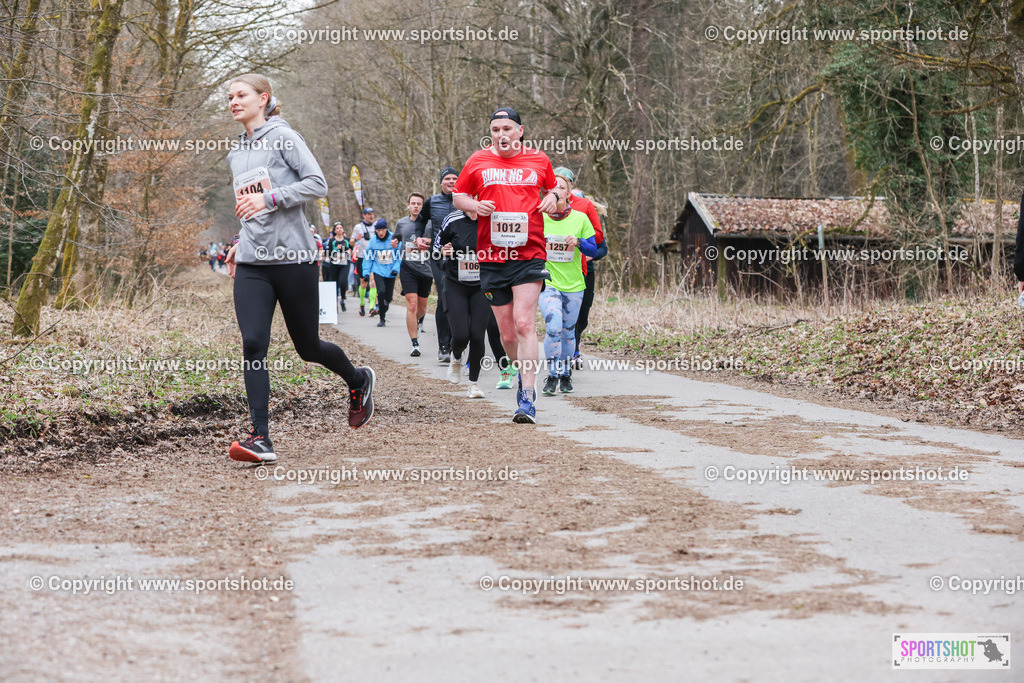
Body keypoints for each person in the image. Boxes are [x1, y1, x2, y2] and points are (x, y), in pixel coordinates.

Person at [222, 73, 375, 463]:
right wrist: (241, 242)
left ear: (263, 98)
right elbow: (249, 208)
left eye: (241, 95)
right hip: (254, 263)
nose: (234, 102)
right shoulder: (236, 152)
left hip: (294, 260)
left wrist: (271, 198)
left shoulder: (284, 138)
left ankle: (357, 380)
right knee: (253, 343)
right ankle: (261, 437)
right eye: (230, 97)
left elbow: (317, 183)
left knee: (308, 347)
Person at [452, 107, 561, 423]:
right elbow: (459, 195)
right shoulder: (477, 161)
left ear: (520, 131)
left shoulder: (538, 160)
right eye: (496, 129)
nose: (501, 134)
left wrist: (553, 198)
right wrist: (475, 205)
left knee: (525, 322)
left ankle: (527, 395)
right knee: (508, 334)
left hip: (530, 253)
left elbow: (553, 189)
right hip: (491, 257)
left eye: (507, 128)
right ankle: (519, 371)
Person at [540, 175, 597, 394]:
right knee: (553, 326)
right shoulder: (539, 218)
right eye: (552, 188)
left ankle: (565, 373)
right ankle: (552, 374)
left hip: (574, 285)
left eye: (561, 187)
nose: (556, 191)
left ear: (567, 193)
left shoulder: (581, 218)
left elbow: (595, 249)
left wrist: (579, 242)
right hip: (548, 282)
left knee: (568, 332)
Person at [552, 167, 608, 369]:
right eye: (555, 183)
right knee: (557, 316)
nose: (558, 188)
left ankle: (573, 344)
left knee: (580, 316)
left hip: (583, 268)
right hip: (554, 270)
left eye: (564, 183)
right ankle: (565, 353)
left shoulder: (584, 206)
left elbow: (599, 240)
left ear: (570, 187)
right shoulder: (546, 205)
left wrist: (581, 243)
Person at [433, 209, 493, 398]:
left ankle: (473, 384)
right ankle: (456, 357)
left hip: (481, 286)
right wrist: (443, 253)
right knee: (460, 335)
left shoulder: (493, 219)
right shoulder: (453, 219)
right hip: (455, 284)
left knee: (477, 335)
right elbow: (435, 250)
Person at [413, 167, 458, 363]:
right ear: (441, 182)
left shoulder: (464, 200)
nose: (451, 181)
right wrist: (418, 238)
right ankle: (444, 346)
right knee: (444, 295)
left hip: (463, 256)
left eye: (455, 178)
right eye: (447, 178)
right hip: (438, 256)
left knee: (461, 298)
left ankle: (459, 342)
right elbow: (419, 223)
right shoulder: (432, 202)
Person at [392, 193, 432, 356]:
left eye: (419, 204)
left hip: (426, 269)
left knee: (422, 308)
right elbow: (395, 237)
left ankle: (416, 322)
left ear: (423, 206)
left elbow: (438, 241)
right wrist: (394, 242)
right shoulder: (401, 223)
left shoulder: (430, 223)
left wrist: (427, 243)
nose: (416, 206)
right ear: (408, 205)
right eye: (413, 203)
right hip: (408, 267)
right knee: (412, 305)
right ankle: (415, 344)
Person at [363, 221, 401, 327]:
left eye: (382, 230)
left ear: (386, 229)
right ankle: (382, 319)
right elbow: (368, 258)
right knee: (381, 291)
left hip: (390, 271)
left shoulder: (394, 239)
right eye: (378, 230)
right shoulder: (373, 241)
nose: (380, 233)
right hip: (378, 270)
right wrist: (366, 273)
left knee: (388, 297)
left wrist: (396, 269)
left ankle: (385, 305)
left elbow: (399, 256)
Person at [325, 223, 351, 311]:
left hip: (344, 263)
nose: (339, 229)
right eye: (337, 228)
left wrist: (347, 249)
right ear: (335, 231)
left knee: (343, 282)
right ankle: (334, 303)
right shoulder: (332, 240)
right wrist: (336, 249)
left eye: (341, 228)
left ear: (343, 230)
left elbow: (352, 249)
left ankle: (343, 299)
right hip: (334, 264)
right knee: (334, 284)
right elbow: (328, 253)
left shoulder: (347, 239)